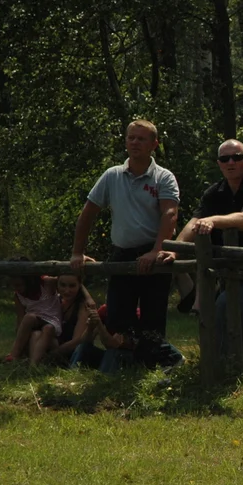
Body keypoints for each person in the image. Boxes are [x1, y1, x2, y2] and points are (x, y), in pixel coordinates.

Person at [173, 139, 243, 363]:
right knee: (242, 316)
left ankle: (218, 365)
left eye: (237, 157)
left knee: (223, 307)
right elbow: (195, 221)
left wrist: (213, 220)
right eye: (225, 159)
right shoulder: (214, 194)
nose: (231, 162)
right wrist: (175, 250)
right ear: (219, 163)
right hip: (230, 272)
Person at [70, 119, 179, 338]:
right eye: (131, 138)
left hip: (154, 253)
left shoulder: (163, 177)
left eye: (141, 139)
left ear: (154, 144)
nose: (135, 143)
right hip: (121, 253)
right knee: (117, 318)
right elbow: (88, 214)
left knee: (153, 319)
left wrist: (156, 250)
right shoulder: (112, 175)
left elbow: (170, 214)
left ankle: (151, 362)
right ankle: (123, 361)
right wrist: (77, 252)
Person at [6, 264, 63, 365]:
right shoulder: (18, 295)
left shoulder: (46, 283)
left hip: (53, 321)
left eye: (19, 285)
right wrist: (20, 335)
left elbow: (65, 277)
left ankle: (19, 357)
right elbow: (20, 318)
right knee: (34, 330)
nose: (16, 288)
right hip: (35, 323)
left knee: (43, 325)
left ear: (29, 281)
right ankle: (31, 363)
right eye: (13, 286)